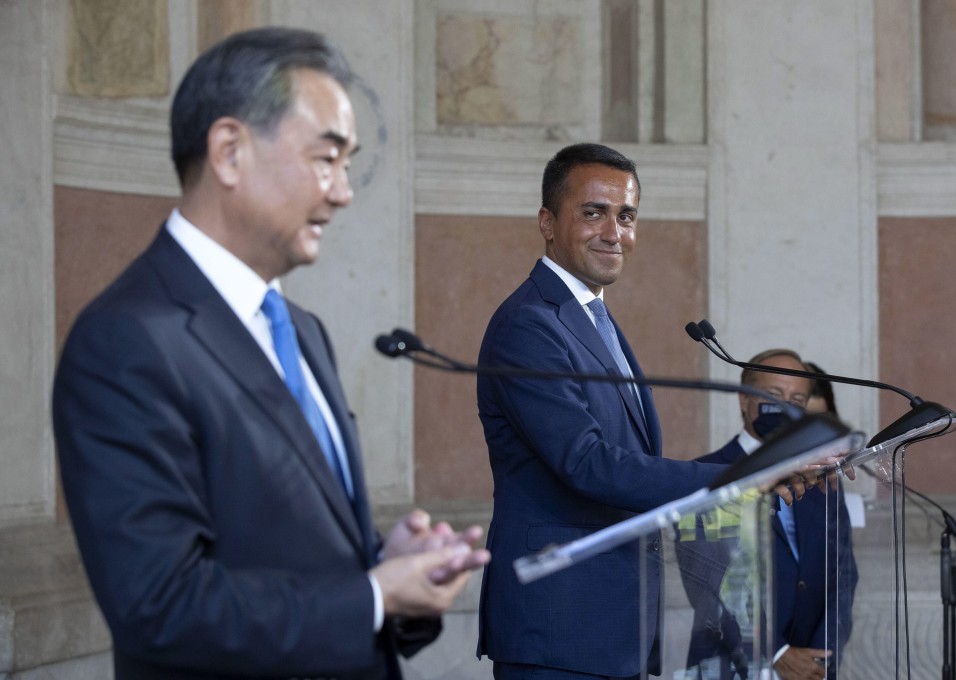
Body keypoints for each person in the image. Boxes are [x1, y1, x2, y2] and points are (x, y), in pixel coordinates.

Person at [51, 27, 488, 680]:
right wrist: (372, 594)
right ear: (229, 151)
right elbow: (159, 606)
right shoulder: (126, 339)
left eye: (347, 164)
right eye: (326, 159)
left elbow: (297, 549)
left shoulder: (304, 330)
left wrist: (387, 564)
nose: (343, 191)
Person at [474, 143, 812, 680]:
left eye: (626, 216)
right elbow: (586, 463)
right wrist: (742, 477)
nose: (614, 232)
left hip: (615, 622)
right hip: (561, 623)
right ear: (547, 221)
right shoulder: (530, 324)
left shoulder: (592, 319)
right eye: (593, 213)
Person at [681, 350, 858, 680]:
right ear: (744, 400)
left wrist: (822, 655)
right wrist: (776, 653)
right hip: (731, 666)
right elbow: (708, 583)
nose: (785, 406)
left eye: (797, 399)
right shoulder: (706, 474)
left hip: (813, 668)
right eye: (773, 396)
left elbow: (843, 572)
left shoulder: (822, 477)